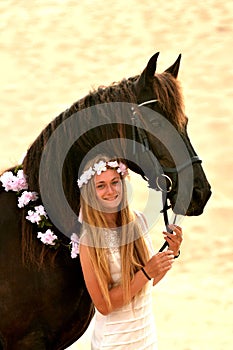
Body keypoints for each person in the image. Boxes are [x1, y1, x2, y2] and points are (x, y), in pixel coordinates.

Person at [78, 155, 183, 350]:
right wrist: (146, 272)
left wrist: (172, 251)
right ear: (91, 193)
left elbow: (148, 282)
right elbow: (103, 305)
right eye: (101, 186)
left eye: (114, 182)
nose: (110, 191)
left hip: (146, 338)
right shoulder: (89, 241)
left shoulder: (138, 221)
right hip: (113, 341)